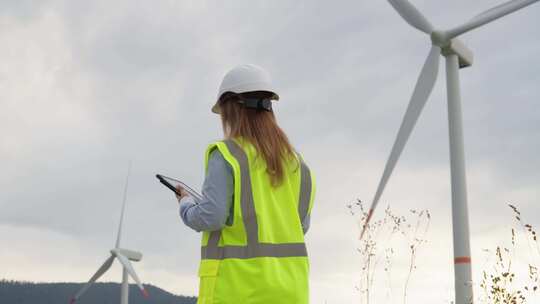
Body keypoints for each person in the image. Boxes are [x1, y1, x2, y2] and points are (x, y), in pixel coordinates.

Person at [175, 64, 316, 304]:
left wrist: (186, 204)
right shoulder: (297, 165)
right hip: (290, 291)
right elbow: (299, 226)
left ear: (231, 109)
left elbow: (211, 217)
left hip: (238, 291)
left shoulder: (227, 155)